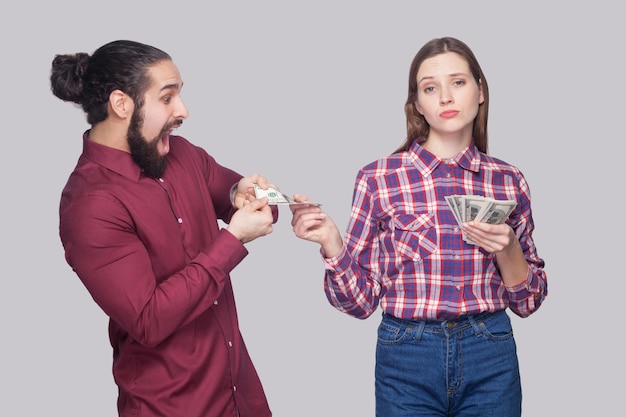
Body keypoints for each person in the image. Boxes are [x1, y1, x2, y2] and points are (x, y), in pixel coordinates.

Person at [290, 37, 547, 417]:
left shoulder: (509, 181)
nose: (445, 97)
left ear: (480, 91)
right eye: (431, 87)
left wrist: (508, 249)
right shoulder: (378, 178)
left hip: (490, 350)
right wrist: (331, 241)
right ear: (417, 105)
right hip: (406, 354)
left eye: (458, 82)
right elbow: (359, 303)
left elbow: (528, 302)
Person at [51, 40, 277, 417]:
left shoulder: (182, 153)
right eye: (167, 98)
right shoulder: (90, 205)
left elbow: (241, 196)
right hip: (171, 407)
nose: (183, 111)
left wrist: (252, 193)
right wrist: (232, 239)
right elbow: (150, 319)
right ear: (121, 104)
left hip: (241, 398)